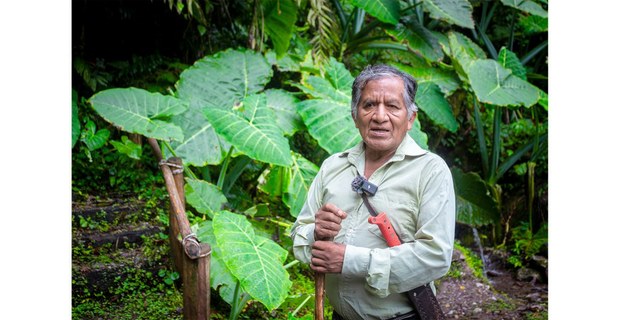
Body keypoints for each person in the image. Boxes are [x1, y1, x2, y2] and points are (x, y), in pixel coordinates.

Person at [290, 64, 456, 320]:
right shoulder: (333, 167)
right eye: (369, 105)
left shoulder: (431, 171)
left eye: (392, 106)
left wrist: (350, 260)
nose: (379, 116)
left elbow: (435, 257)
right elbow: (299, 240)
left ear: (410, 118)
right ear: (356, 115)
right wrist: (316, 232)